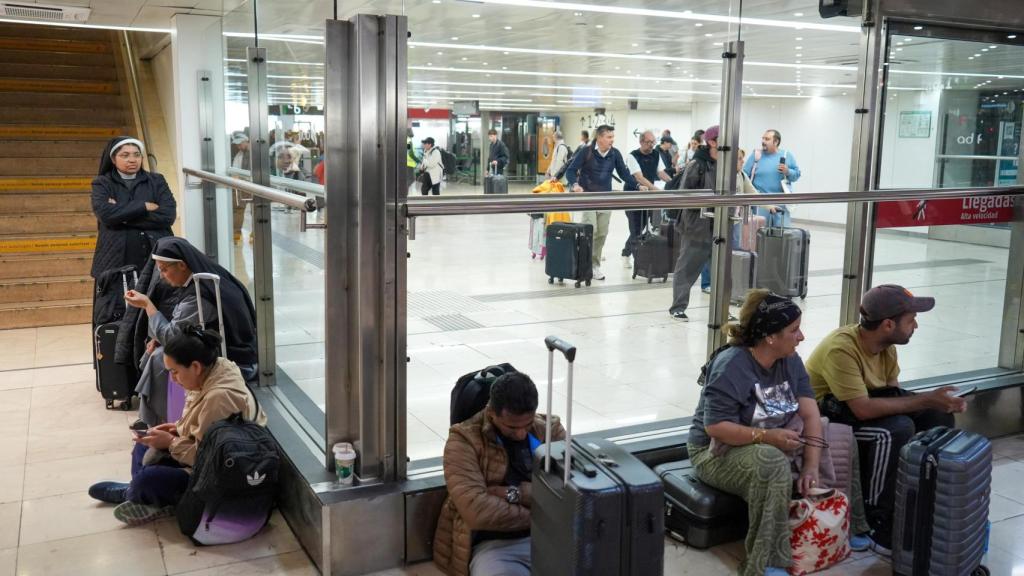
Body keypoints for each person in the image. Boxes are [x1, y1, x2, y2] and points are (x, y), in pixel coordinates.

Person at [687, 290, 873, 576]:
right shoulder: (732, 365)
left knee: (840, 436)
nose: (801, 337)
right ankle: (766, 562)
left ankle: (850, 525)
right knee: (771, 461)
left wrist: (811, 465)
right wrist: (767, 438)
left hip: (775, 435)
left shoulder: (790, 360)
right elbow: (716, 428)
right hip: (715, 451)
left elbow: (810, 413)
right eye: (794, 330)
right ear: (770, 337)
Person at [806, 284, 965, 554]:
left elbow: (892, 395)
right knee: (894, 431)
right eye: (911, 320)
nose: (916, 326)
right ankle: (876, 518)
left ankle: (922, 497)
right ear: (888, 324)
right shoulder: (842, 349)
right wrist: (925, 398)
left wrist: (936, 403)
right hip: (830, 422)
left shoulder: (887, 347)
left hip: (860, 411)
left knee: (937, 416)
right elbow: (862, 410)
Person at [88, 326, 267, 525]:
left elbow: (210, 462)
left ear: (196, 367)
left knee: (149, 479)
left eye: (174, 372)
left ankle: (143, 494)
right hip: (204, 455)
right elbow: (201, 425)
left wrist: (172, 442)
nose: (173, 378)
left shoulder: (220, 398)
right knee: (144, 445)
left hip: (222, 475)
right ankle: (142, 494)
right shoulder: (213, 371)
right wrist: (177, 428)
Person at [433, 372, 565, 576]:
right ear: (491, 412)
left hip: (551, 538)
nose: (521, 433)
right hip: (495, 544)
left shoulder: (550, 430)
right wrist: (545, 512)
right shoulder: (463, 441)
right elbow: (477, 510)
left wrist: (516, 494)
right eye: (512, 427)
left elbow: (569, 492)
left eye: (527, 424)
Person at [125, 236, 259, 427]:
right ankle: (153, 419)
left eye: (164, 269)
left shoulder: (200, 293)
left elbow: (171, 335)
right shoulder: (200, 280)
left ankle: (161, 421)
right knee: (160, 351)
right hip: (218, 345)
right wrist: (161, 338)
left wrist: (147, 304)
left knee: (161, 357)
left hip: (236, 359)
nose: (162, 276)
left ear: (181, 265)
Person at [564, 124, 645, 281]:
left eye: (612, 137)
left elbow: (623, 173)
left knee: (601, 233)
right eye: (609, 137)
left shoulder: (614, 154)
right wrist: (575, 185)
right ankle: (585, 265)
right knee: (591, 230)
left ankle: (595, 265)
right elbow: (571, 170)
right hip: (588, 197)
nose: (611, 140)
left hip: (605, 198)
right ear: (599, 138)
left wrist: (637, 185)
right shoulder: (586, 151)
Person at [90, 136, 176, 282]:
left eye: (136, 154)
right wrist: (144, 206)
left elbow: (168, 215)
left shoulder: (156, 180)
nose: (132, 159)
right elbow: (105, 215)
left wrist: (121, 217)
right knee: (118, 302)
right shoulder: (102, 183)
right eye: (125, 155)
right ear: (113, 159)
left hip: (155, 251)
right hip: (115, 255)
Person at [669, 125, 718, 320]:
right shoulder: (698, 164)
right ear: (713, 142)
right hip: (696, 224)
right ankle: (678, 307)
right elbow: (684, 195)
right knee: (687, 267)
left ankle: (723, 308)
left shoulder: (727, 164)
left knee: (723, 270)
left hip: (721, 223)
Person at [621, 130, 671, 268]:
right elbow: (639, 177)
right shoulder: (632, 156)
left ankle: (627, 252)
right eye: (648, 142)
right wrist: (656, 190)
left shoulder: (656, 154)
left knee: (641, 227)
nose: (651, 145)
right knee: (635, 228)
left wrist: (672, 183)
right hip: (632, 196)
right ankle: (632, 257)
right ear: (641, 142)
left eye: (653, 142)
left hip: (648, 197)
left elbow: (660, 173)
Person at [743, 129, 801, 227]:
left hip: (781, 201)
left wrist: (788, 171)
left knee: (782, 233)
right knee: (759, 232)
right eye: (763, 138)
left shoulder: (787, 155)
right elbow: (744, 175)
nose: (763, 141)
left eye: (767, 139)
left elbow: (796, 175)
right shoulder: (756, 155)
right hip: (760, 202)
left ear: (776, 142)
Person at [230, 133, 252, 244]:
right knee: (238, 209)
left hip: (252, 185)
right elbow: (235, 170)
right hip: (240, 185)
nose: (238, 147)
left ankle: (254, 232)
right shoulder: (239, 154)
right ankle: (236, 233)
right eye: (237, 145)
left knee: (257, 210)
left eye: (240, 144)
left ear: (246, 141)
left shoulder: (254, 154)